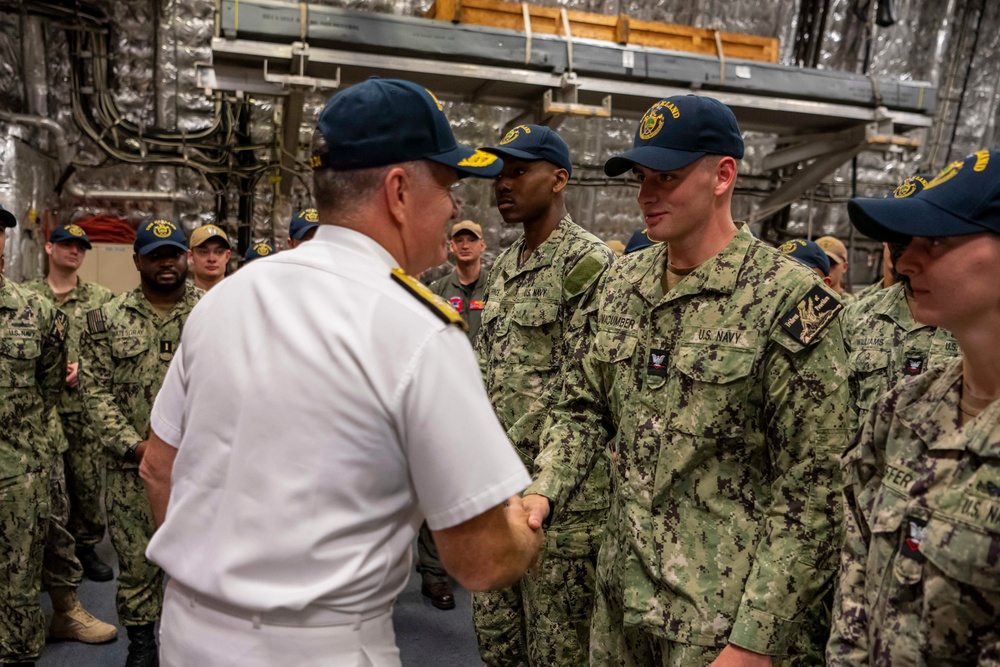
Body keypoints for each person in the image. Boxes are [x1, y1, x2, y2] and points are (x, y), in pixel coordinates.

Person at [139, 77, 543, 667]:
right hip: (316, 648)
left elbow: (157, 468)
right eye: (449, 185)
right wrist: (524, 530)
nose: (456, 208)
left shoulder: (228, 297)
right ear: (399, 191)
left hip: (188, 631)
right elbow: (481, 561)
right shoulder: (417, 329)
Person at [522, 94, 854, 666]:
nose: (648, 196)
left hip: (716, 622)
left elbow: (815, 486)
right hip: (619, 599)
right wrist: (544, 487)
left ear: (723, 175)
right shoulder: (623, 283)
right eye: (642, 179)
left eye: (668, 178)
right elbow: (583, 406)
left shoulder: (789, 300)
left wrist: (755, 638)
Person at [827, 148, 1000, 665]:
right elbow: (856, 582)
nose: (905, 262)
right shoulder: (901, 414)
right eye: (905, 243)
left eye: (938, 241)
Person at [474, 123, 615, 667]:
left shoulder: (590, 265)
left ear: (558, 179)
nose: (502, 184)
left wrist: (544, 490)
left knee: (558, 653)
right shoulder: (506, 267)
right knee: (498, 644)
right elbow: (488, 379)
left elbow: (587, 399)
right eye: (499, 173)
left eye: (518, 171)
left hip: (561, 507)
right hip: (500, 495)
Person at [79, 219, 202, 667]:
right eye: (155, 255)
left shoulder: (214, 312)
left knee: (200, 559)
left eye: (172, 254)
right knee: (137, 561)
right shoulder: (105, 320)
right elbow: (94, 391)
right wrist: (137, 448)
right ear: (137, 261)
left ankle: (195, 641)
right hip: (130, 467)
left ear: (184, 258)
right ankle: (142, 642)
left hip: (200, 468)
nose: (165, 262)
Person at [22, 224, 118, 645]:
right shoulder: (26, 296)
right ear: (49, 248)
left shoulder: (99, 298)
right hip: (33, 413)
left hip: (79, 408)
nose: (74, 251)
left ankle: (86, 546)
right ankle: (41, 562)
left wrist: (85, 369)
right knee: (45, 489)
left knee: (83, 479)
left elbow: (113, 345)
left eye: (81, 247)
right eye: (66, 244)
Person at [0, 207, 69, 666]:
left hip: (17, 469)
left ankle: (19, 654)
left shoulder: (36, 310)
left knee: (19, 579)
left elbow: (49, 388)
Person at [430, 219, 488, 342]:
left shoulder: (496, 287)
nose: (465, 246)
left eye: (472, 240)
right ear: (451, 246)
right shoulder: (437, 291)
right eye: (459, 241)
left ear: (482, 245)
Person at [187, 224, 231, 291]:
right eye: (203, 252)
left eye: (219, 252)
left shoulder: (240, 296)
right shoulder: (178, 297)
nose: (211, 259)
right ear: (191, 256)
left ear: (227, 256)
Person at [815, 236, 851, 300]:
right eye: (819, 263)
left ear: (844, 267)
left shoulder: (852, 305)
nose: (826, 269)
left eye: (831, 263)